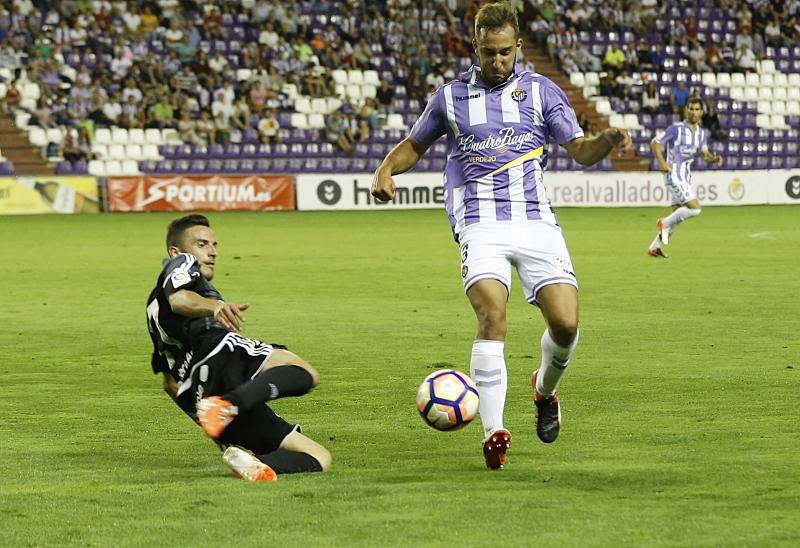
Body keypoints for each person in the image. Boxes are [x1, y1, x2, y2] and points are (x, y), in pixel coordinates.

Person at [371, 1, 630, 471]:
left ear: (518, 47)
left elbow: (580, 150)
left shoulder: (541, 92)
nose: (497, 62)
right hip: (479, 222)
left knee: (566, 326)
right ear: (475, 46)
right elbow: (414, 145)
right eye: (489, 53)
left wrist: (606, 141)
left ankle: (544, 390)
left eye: (505, 53)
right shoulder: (450, 97)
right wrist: (386, 168)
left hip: (535, 221)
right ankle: (494, 434)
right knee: (492, 315)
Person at [146, 215, 332, 481]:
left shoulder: (153, 313)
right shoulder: (182, 263)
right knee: (303, 372)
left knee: (319, 457)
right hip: (215, 353)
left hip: (198, 393)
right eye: (201, 244)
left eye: (214, 244)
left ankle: (255, 464)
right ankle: (230, 405)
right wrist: (216, 307)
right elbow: (180, 299)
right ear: (175, 251)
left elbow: (170, 384)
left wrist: (207, 422)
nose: (212, 252)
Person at [647, 97, 723, 258]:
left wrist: (713, 159)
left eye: (697, 109)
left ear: (701, 112)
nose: (694, 112)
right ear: (686, 110)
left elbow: (704, 154)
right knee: (695, 208)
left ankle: (654, 247)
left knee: (677, 217)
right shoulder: (676, 129)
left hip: (685, 178)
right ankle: (663, 223)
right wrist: (661, 162)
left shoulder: (701, 134)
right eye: (691, 109)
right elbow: (655, 142)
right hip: (673, 174)